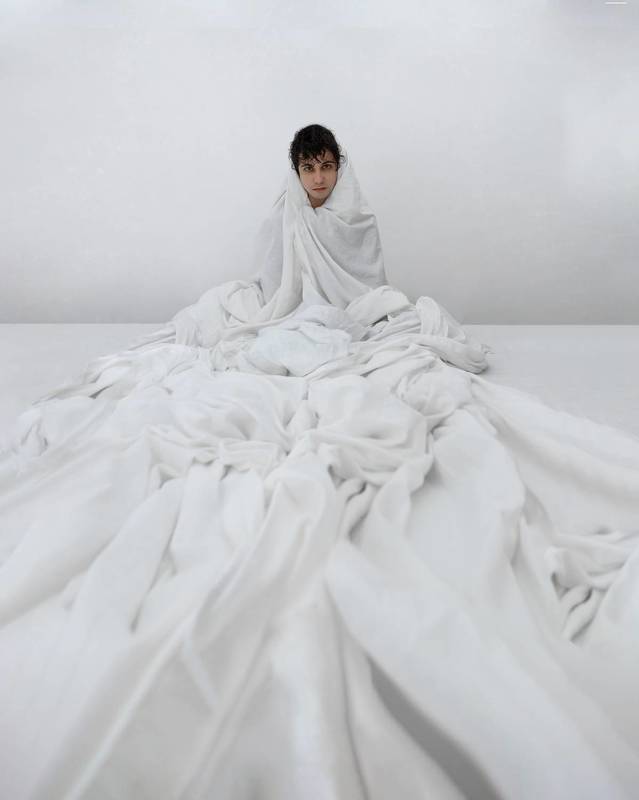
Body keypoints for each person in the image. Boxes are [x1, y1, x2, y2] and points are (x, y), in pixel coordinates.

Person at [1, 125, 639, 800]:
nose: (318, 179)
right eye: (308, 167)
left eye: (327, 166)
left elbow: (366, 287)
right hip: (290, 318)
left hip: (341, 322)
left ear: (339, 167)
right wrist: (286, 314)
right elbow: (272, 285)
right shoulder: (282, 216)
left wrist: (348, 319)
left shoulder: (356, 217)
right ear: (295, 169)